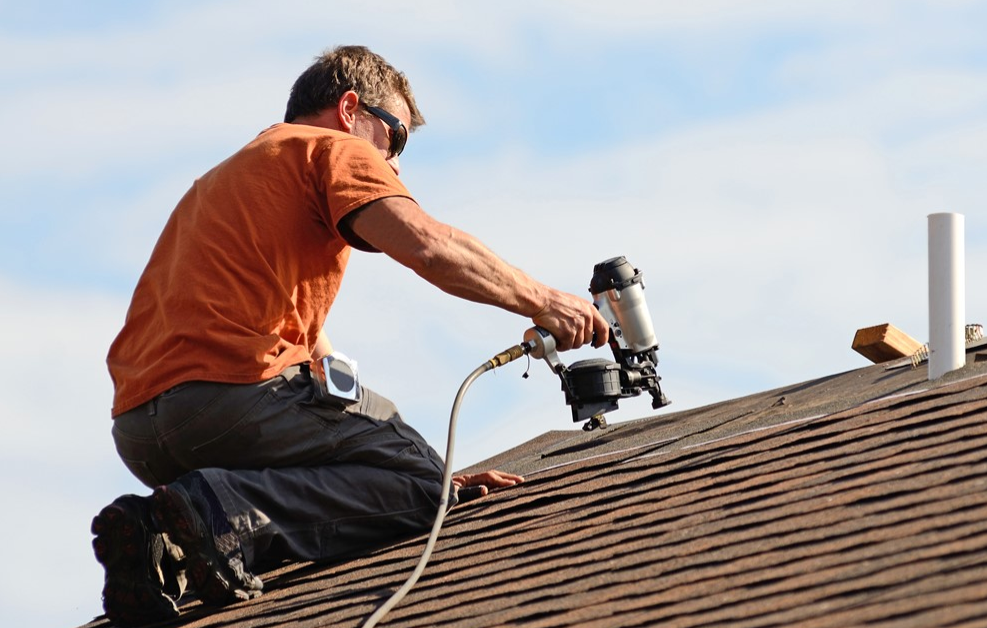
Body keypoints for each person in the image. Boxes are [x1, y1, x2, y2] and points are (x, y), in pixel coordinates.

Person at [92, 45, 608, 627]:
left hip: (140, 431)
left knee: (385, 463)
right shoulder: (332, 149)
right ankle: (222, 510)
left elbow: (307, 352)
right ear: (349, 109)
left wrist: (385, 448)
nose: (395, 165)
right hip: (230, 399)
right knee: (423, 487)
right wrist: (546, 302)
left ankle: (161, 544)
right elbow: (428, 246)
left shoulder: (224, 181)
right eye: (395, 138)